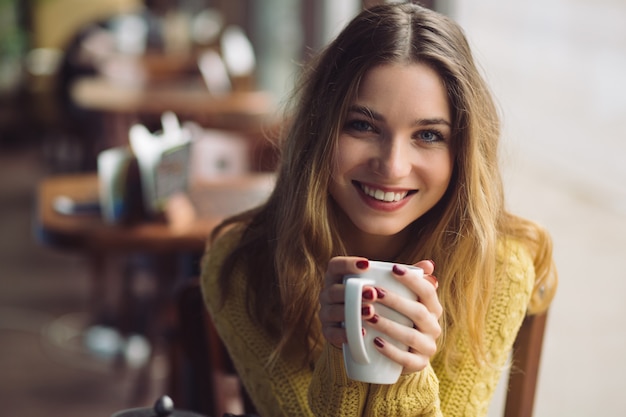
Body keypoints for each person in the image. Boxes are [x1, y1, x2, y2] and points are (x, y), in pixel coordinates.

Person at [201, 2, 557, 416]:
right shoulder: (242, 267)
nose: (392, 166)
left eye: (427, 134)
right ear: (319, 129)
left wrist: (405, 374)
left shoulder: (497, 269)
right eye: (363, 126)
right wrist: (347, 356)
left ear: (462, 153)